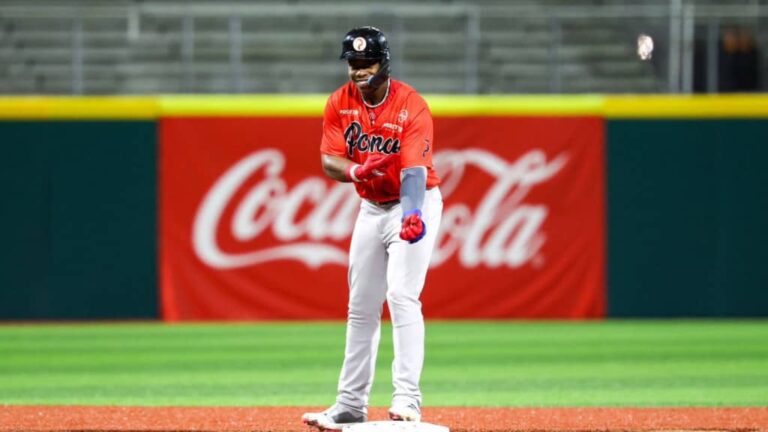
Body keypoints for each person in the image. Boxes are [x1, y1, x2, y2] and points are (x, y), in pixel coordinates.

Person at [301, 26, 442, 430]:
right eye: (353, 63)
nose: (359, 70)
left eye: (367, 62)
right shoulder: (339, 102)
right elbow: (330, 161)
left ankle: (407, 399)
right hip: (371, 206)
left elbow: (415, 169)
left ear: (384, 63)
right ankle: (349, 403)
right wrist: (356, 169)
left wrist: (413, 215)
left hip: (414, 201)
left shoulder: (411, 105)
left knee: (401, 295)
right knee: (360, 307)